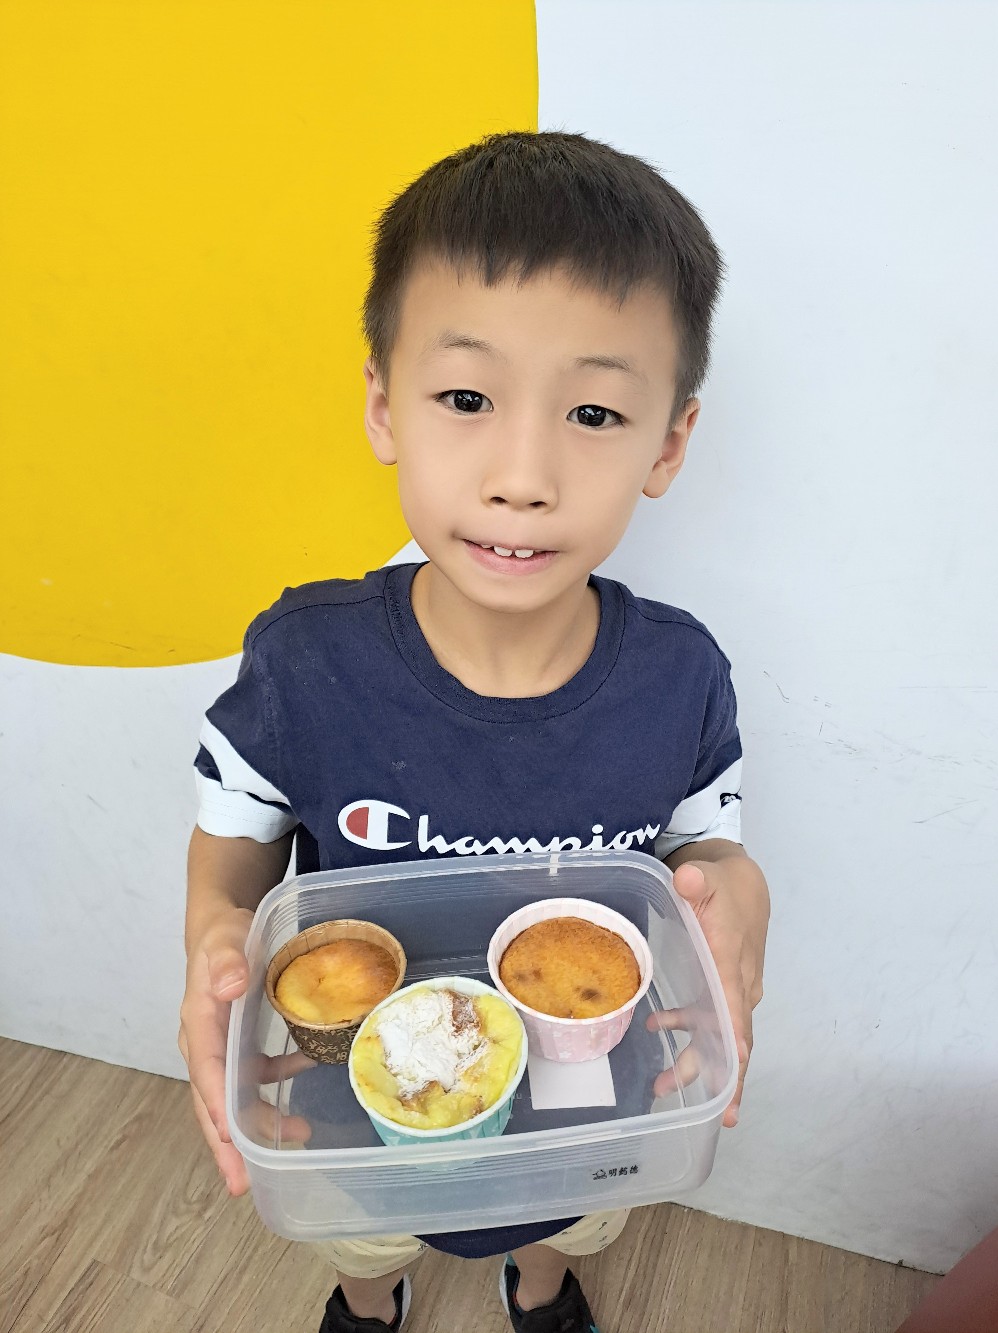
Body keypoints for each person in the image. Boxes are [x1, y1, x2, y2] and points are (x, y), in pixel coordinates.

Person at [179, 130, 770, 1333]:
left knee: (568, 1216)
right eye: (465, 398)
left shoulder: (679, 678)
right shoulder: (302, 663)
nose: (522, 474)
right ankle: (372, 1299)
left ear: (666, 442)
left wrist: (738, 891)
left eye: (593, 410)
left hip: (582, 1101)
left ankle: (536, 1284)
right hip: (357, 1102)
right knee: (362, 1233)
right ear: (384, 406)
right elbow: (232, 857)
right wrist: (213, 935)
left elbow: (705, 852)